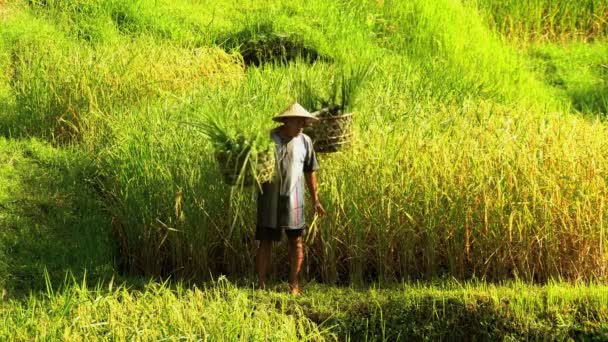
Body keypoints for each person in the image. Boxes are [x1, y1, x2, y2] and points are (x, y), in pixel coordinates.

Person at [255, 102, 326, 295]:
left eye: (304, 122)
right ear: (286, 121)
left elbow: (310, 171)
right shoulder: (268, 139)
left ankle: (294, 284)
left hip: (294, 199)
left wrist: (316, 200)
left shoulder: (305, 141)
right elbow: (254, 167)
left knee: (296, 241)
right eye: (298, 121)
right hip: (269, 199)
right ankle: (261, 284)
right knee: (265, 241)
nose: (302, 125)